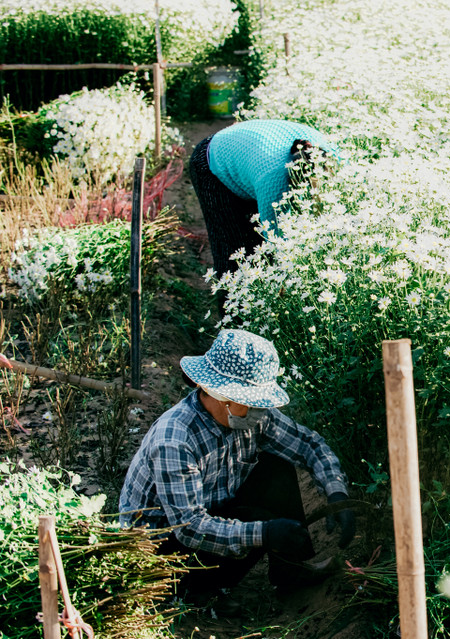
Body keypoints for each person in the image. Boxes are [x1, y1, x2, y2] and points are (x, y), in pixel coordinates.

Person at [119, 328, 355, 610]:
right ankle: (194, 595)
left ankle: (290, 571)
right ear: (221, 395)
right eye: (251, 402)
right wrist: (264, 533)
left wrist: (336, 493)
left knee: (276, 468)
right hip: (163, 555)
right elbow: (190, 528)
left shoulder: (250, 419)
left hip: (210, 513)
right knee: (255, 521)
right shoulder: (175, 439)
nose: (259, 411)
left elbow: (308, 444)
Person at [188, 119, 340, 276]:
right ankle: (228, 298)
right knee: (233, 253)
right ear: (295, 183)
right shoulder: (274, 183)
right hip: (211, 161)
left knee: (255, 246)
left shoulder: (337, 157)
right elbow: (276, 243)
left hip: (249, 152)